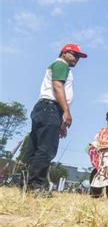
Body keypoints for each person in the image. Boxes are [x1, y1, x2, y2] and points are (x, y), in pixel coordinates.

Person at [24, 44, 87, 193]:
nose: (76, 59)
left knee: (35, 146)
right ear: (64, 53)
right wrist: (66, 112)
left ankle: (26, 182)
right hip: (51, 108)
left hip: (43, 108)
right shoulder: (61, 64)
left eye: (78, 56)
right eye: (74, 54)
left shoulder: (58, 65)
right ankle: (35, 186)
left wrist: (60, 122)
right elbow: (57, 86)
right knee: (46, 148)